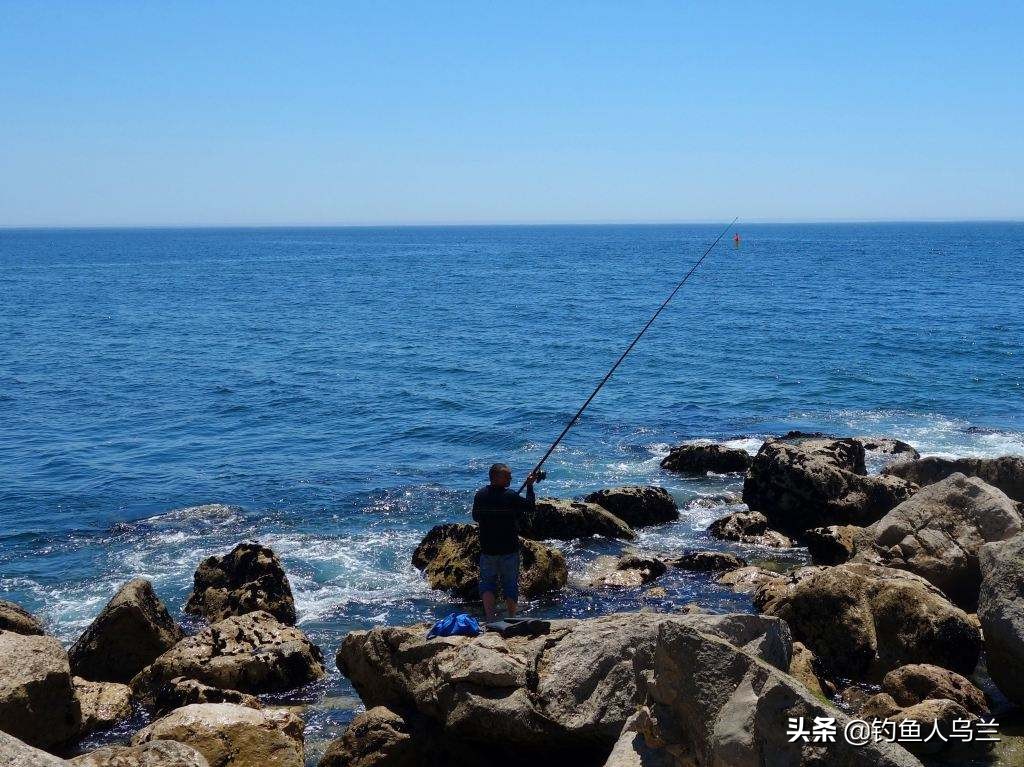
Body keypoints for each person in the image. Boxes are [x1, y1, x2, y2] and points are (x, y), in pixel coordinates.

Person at [471, 463, 539, 621]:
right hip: (509, 549)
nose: (510, 478)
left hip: (488, 549)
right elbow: (530, 507)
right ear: (496, 477)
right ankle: (511, 617)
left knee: (487, 583)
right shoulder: (510, 496)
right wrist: (529, 486)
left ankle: (490, 617)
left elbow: (475, 517)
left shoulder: (480, 495)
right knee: (510, 584)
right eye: (507, 476)